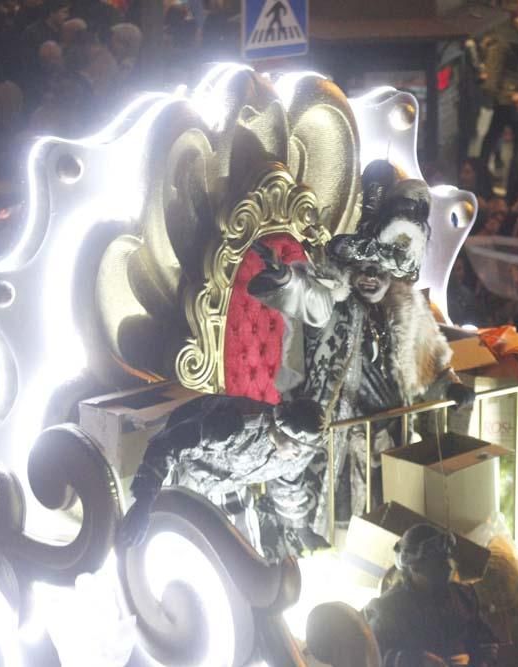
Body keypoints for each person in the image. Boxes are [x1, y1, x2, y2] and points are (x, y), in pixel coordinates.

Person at [247, 162, 474, 547]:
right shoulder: (333, 299)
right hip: (334, 441)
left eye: (379, 270)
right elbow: (305, 296)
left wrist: (451, 390)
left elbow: (433, 368)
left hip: (390, 442)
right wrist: (283, 279)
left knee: (390, 533)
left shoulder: (406, 306)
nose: (370, 276)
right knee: (338, 535)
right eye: (363, 268)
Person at [116, 395, 327, 555]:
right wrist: (144, 502)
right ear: (281, 429)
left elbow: (289, 485)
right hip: (186, 472)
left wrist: (303, 532)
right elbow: (167, 444)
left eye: (308, 449)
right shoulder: (234, 423)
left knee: (245, 554)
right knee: (168, 541)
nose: (300, 454)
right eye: (298, 446)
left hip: (229, 485)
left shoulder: (298, 452)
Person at [363, 523, 497, 666]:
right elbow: (369, 656)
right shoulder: (387, 609)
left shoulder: (463, 597)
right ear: (414, 567)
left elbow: (487, 643)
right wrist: (415, 661)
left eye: (447, 559)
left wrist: (473, 659)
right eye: (438, 563)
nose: (448, 567)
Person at [478, 0, 518, 164]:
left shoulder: (516, 31)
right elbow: (496, 67)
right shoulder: (504, 35)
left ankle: (482, 169)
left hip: (509, 94)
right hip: (506, 95)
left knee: (495, 134)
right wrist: (496, 92)